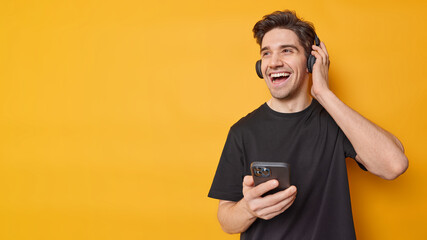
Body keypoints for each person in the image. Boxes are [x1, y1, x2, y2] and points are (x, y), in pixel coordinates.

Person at [208, 10, 408, 240]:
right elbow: (226, 220)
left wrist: (323, 93)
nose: (274, 62)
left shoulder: (337, 121)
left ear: (311, 61)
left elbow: (394, 165)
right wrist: (248, 208)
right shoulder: (242, 131)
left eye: (287, 50)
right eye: (266, 53)